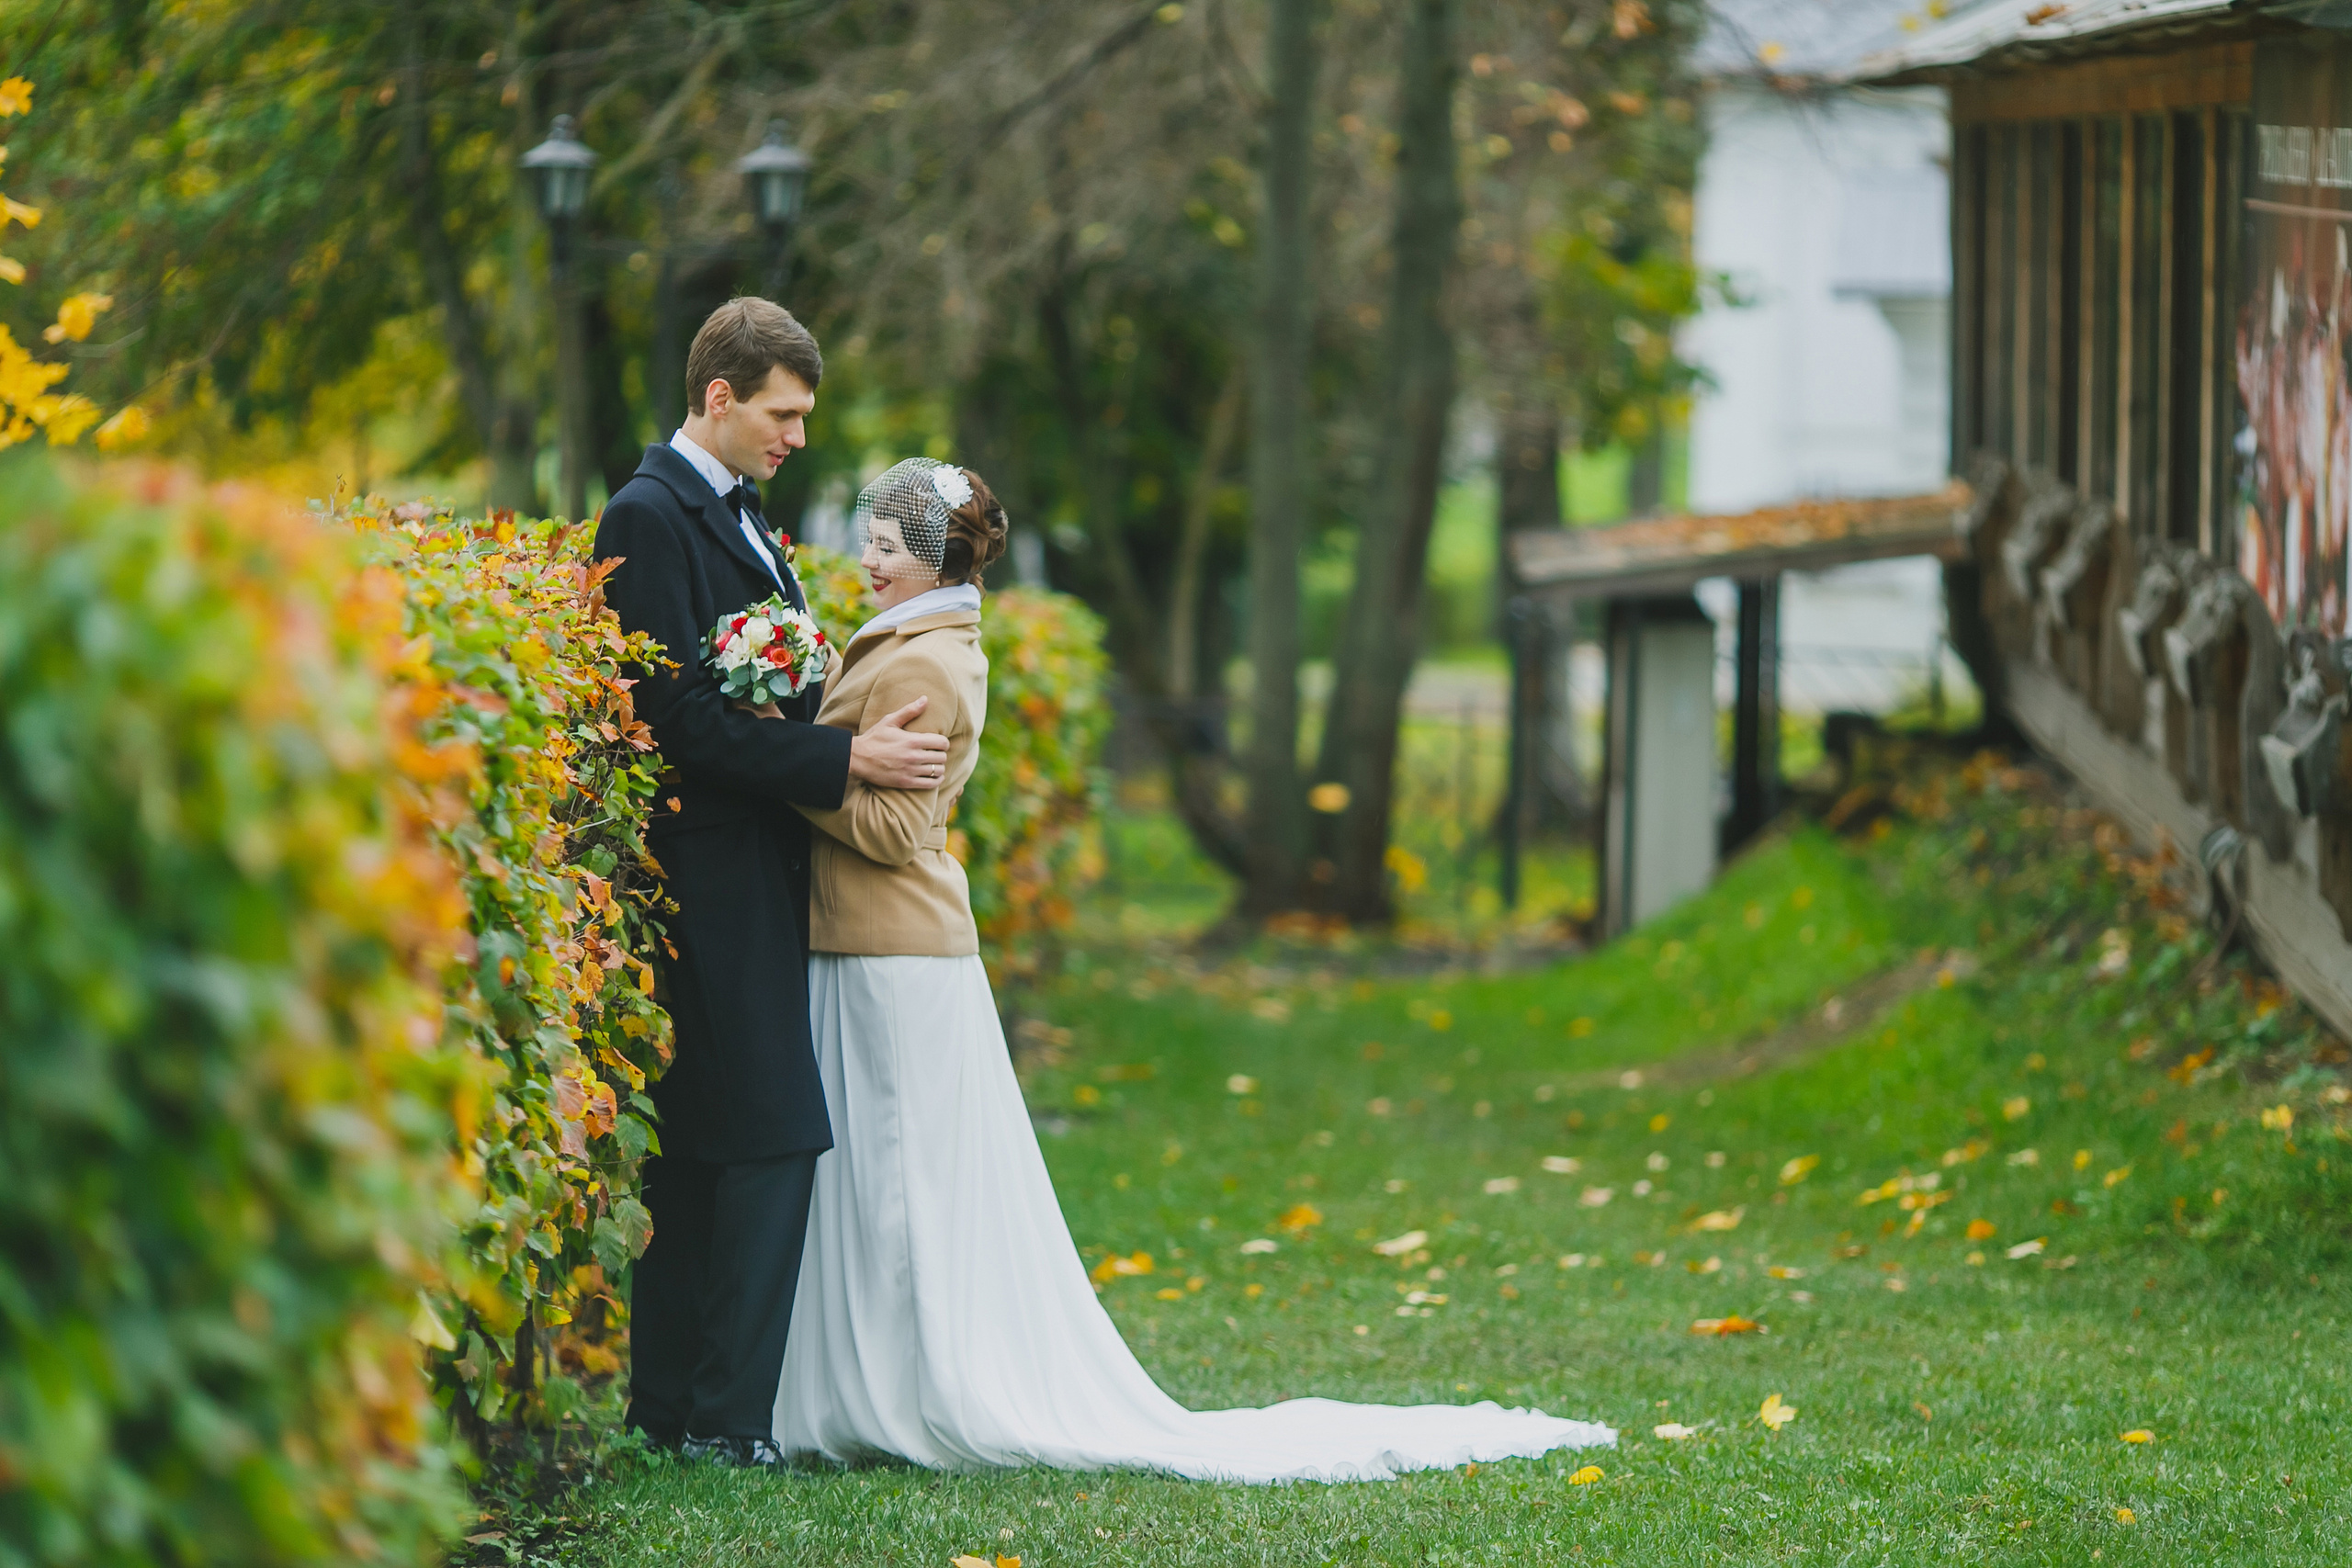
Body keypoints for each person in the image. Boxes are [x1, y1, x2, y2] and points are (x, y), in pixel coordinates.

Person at [771, 458, 1615, 1481]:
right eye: (869, 541)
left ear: (937, 557)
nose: (866, 561)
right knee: (883, 1184)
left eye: (887, 548)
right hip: (874, 945)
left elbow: (899, 825)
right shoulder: (927, 635)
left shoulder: (925, 661)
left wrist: (783, 768)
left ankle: (905, 1393)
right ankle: (868, 1383)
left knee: (899, 1188)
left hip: (890, 950)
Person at [594, 300, 950, 1469]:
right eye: (782, 414)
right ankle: (731, 1422)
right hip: (704, 875)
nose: (796, 436)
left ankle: (673, 1414)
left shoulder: (746, 519)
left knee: (705, 1142)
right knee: (771, 1138)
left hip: (755, 871)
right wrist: (846, 757)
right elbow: (678, 719)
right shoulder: (650, 518)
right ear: (719, 399)